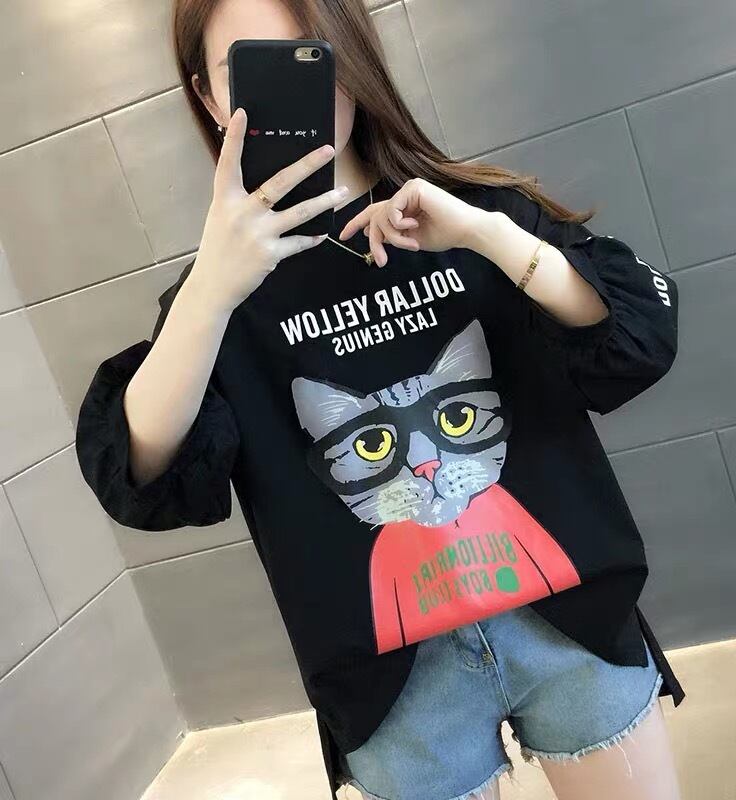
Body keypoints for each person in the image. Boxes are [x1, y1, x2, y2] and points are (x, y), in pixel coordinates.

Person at [75, 0, 686, 798]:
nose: (295, 84)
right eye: (250, 67)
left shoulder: (474, 213)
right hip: (396, 693)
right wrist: (209, 292)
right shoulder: (215, 307)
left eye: (311, 52)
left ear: (353, 53)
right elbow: (139, 477)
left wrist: (488, 235)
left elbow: (634, 338)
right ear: (209, 97)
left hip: (571, 624)